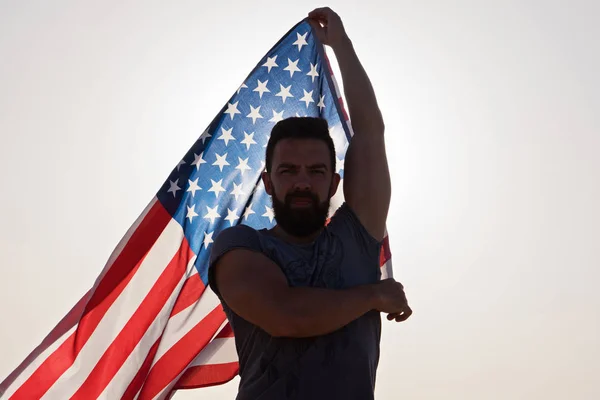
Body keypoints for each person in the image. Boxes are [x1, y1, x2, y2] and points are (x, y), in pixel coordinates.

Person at [207, 7, 412, 399]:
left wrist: (342, 46)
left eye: (316, 171)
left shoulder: (354, 240)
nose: (302, 182)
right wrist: (374, 295)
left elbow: (370, 132)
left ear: (335, 183)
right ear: (267, 182)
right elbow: (286, 315)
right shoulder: (239, 247)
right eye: (288, 171)